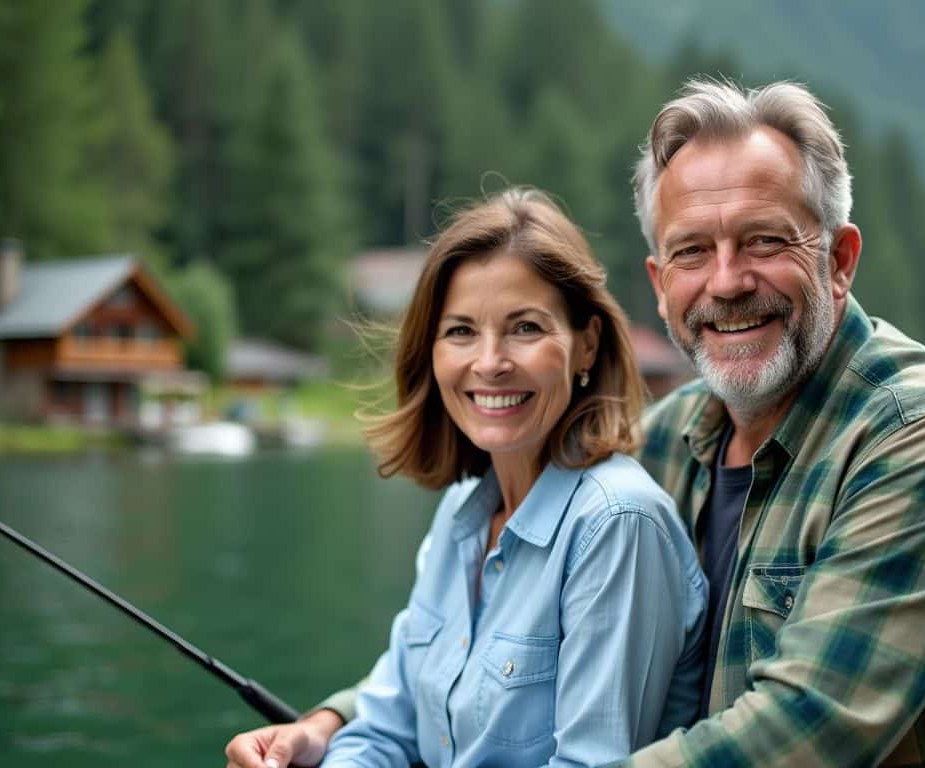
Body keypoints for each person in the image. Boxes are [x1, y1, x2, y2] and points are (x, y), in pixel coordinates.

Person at [227, 79, 925, 767]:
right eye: (691, 252)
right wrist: (336, 724)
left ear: (840, 260)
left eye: (763, 241)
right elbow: (495, 623)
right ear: (657, 279)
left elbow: (804, 734)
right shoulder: (675, 435)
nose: (725, 281)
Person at [228, 188, 707, 768]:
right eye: (460, 331)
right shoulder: (462, 511)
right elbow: (388, 727)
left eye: (526, 328)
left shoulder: (617, 525)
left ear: (586, 346)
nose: (489, 362)